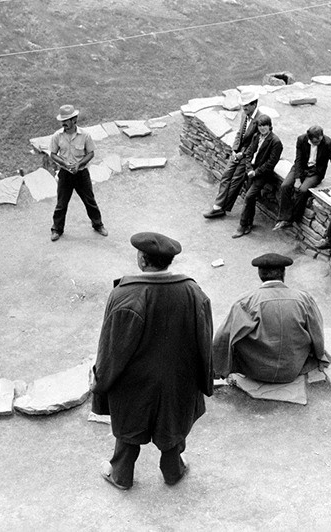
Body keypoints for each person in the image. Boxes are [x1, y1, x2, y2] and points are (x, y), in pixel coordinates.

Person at [91, 232, 213, 490]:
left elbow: (112, 347)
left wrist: (101, 379)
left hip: (135, 382)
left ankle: (121, 475)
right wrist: (204, 380)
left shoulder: (125, 295)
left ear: (143, 260)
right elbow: (205, 340)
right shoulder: (194, 292)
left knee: (129, 428)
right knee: (172, 427)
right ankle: (173, 472)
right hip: (178, 379)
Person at [212, 253, 326, 383]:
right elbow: (316, 332)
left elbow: (223, 337)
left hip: (256, 371)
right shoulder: (304, 299)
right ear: (283, 274)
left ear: (260, 275)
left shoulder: (246, 302)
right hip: (293, 369)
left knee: (236, 335)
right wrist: (320, 356)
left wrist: (218, 370)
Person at [49, 104, 107, 241]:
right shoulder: (57, 136)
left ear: (74, 120)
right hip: (65, 175)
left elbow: (91, 153)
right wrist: (64, 163)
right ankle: (57, 229)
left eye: (66, 120)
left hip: (81, 174)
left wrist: (79, 164)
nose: (64, 123)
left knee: (90, 201)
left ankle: (98, 225)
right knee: (61, 204)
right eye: (62, 121)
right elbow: (53, 154)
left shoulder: (85, 135)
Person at [273, 125, 331, 230]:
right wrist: (297, 179)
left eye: (319, 141)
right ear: (309, 139)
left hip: (316, 172)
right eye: (315, 142)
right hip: (300, 168)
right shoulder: (301, 140)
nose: (318, 143)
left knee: (303, 190)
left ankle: (294, 219)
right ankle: (283, 218)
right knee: (285, 186)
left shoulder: (327, 142)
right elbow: (298, 159)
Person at [203, 91, 260, 219]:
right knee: (226, 176)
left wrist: (242, 154)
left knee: (236, 181)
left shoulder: (260, 119)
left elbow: (256, 142)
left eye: (247, 105)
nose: (244, 108)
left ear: (254, 104)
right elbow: (239, 133)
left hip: (248, 156)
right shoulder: (244, 115)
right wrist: (234, 150)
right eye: (243, 105)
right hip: (237, 152)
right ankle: (217, 206)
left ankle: (223, 208)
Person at [233, 114, 283, 238]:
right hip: (252, 171)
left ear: (270, 126)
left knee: (249, 197)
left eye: (264, 126)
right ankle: (249, 224)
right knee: (250, 198)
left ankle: (242, 225)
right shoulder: (256, 136)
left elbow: (271, 163)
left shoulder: (275, 142)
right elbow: (249, 153)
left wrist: (256, 172)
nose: (262, 129)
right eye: (260, 126)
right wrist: (249, 168)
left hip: (262, 174)